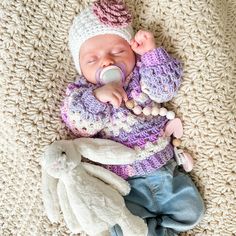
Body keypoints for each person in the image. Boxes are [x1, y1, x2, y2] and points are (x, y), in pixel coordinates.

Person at [60, 0, 205, 235]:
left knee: (193, 210)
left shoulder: (142, 75)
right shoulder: (82, 93)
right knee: (122, 228)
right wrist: (96, 98)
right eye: (92, 59)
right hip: (125, 184)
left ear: (132, 51)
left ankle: (164, 229)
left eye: (117, 51)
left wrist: (151, 55)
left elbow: (165, 89)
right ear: (80, 67)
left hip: (165, 168)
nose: (106, 61)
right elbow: (78, 124)